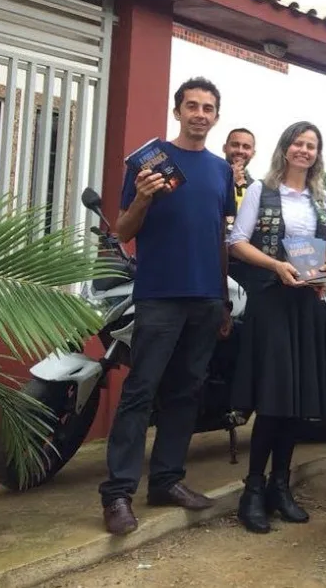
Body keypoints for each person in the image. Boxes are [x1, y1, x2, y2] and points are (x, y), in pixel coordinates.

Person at [99, 78, 236, 535]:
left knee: (186, 393)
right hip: (159, 295)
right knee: (140, 393)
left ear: (216, 116)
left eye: (208, 108)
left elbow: (219, 236)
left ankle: (167, 481)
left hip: (205, 298)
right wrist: (142, 196)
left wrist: (222, 301)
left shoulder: (221, 171)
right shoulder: (148, 164)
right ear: (177, 111)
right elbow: (122, 231)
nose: (200, 114)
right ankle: (117, 493)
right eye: (192, 106)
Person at [228, 121, 326, 533]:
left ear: (317, 153)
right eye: (298, 143)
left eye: (311, 145)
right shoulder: (261, 190)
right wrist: (276, 264)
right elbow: (237, 241)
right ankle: (253, 490)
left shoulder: (322, 199)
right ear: (286, 147)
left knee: (295, 401)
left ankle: (280, 486)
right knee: (274, 397)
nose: (304, 151)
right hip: (273, 301)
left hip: (308, 303)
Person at [224, 127, 256, 207]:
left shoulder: (256, 188)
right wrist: (229, 180)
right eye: (235, 145)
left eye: (246, 147)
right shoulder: (209, 178)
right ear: (224, 148)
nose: (240, 151)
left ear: (253, 153)